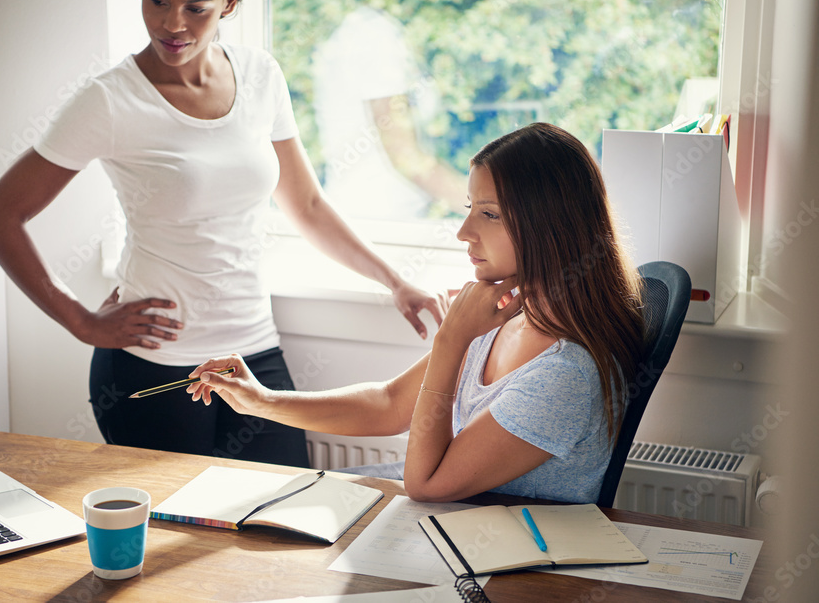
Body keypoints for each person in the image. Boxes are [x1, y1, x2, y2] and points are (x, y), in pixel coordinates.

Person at [0, 0, 444, 468]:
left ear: (231, 2)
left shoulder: (261, 75)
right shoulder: (109, 100)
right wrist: (81, 321)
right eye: (157, 0)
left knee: (283, 527)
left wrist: (394, 280)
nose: (172, 24)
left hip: (254, 352)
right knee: (174, 544)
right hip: (152, 364)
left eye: (196, 7)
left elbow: (306, 204)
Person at [186, 123, 647, 503]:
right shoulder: (505, 315)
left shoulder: (567, 373)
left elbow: (426, 485)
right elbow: (389, 404)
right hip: (452, 527)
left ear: (550, 227)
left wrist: (450, 340)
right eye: (470, 208)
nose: (464, 231)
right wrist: (262, 400)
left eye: (489, 215)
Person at [312, 6, 468, 220]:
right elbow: (405, 155)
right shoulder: (373, 34)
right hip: (377, 219)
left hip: (394, 218)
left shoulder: (384, 32)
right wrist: (494, 208)